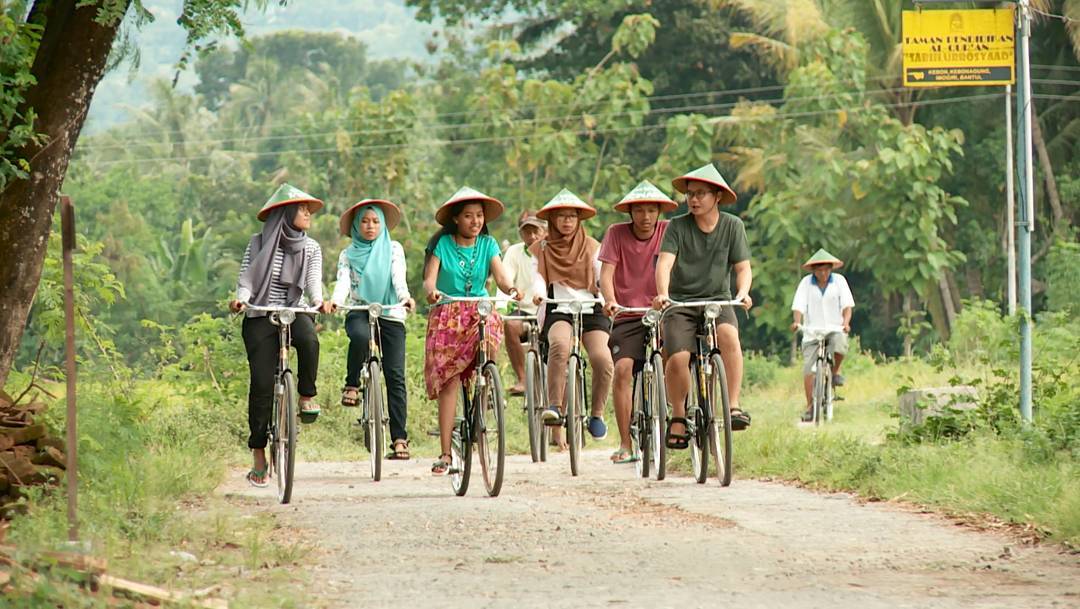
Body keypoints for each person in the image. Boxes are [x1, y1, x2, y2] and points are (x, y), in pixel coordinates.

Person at [229, 183, 333, 488]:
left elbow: (314, 284)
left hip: (294, 309)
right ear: (285, 213)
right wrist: (241, 299)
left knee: (310, 340)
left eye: (307, 209)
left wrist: (319, 302)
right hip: (260, 313)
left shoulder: (311, 247)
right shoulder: (258, 242)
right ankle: (259, 454)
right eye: (301, 209)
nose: (307, 214)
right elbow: (246, 279)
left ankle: (306, 395)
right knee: (261, 384)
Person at [653, 163, 752, 450]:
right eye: (690, 194)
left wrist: (742, 293)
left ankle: (732, 406)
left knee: (730, 336)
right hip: (680, 303)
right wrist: (663, 294)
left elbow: (743, 268)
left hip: (717, 301)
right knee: (678, 358)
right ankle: (680, 416)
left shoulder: (733, 226)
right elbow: (665, 264)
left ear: (717, 196)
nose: (693, 200)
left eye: (700, 194)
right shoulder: (677, 227)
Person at [423, 187, 521, 475]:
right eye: (468, 216)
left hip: (479, 308)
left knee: (490, 338)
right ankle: (445, 453)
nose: (475, 221)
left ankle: (485, 384)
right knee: (450, 382)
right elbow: (430, 280)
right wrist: (432, 293)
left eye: (479, 216)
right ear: (455, 219)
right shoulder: (442, 245)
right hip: (448, 313)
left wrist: (511, 289)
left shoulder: (489, 245)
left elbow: (501, 277)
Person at [332, 199, 416, 459]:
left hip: (390, 311)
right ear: (357, 225)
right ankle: (352, 384)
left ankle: (400, 438)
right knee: (358, 336)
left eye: (376, 221)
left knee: (395, 376)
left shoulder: (393, 248)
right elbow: (344, 281)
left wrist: (404, 297)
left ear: (382, 225)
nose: (370, 226)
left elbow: (397, 276)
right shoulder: (348, 254)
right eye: (365, 221)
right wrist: (336, 301)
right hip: (359, 309)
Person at [600, 181, 677, 464]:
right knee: (622, 370)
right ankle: (625, 443)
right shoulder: (615, 234)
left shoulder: (669, 230)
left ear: (659, 212)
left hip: (664, 309)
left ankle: (675, 407)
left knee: (678, 354)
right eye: (640, 211)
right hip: (628, 313)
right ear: (630, 213)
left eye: (651, 210)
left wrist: (666, 295)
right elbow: (606, 274)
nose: (646, 217)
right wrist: (610, 301)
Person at [530, 189, 613, 446]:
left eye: (572, 216)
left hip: (592, 309)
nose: (567, 221)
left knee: (603, 359)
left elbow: (602, 275)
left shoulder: (593, 246)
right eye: (561, 216)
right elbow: (539, 277)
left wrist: (608, 296)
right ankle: (554, 406)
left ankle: (597, 415)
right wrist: (538, 293)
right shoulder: (542, 248)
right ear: (552, 220)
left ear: (579, 219)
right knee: (559, 346)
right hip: (560, 309)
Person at [790, 248, 854, 422]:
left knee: (840, 345)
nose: (823, 273)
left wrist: (846, 323)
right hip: (813, 331)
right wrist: (797, 322)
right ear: (813, 271)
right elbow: (798, 306)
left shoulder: (839, 281)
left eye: (826, 269)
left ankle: (835, 371)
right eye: (819, 270)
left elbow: (847, 306)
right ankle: (811, 406)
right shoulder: (806, 283)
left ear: (830, 269)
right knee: (808, 369)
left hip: (835, 328)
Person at [498, 210, 547, 396]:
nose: (532, 236)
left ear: (544, 231)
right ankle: (522, 378)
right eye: (527, 232)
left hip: (550, 309)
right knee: (510, 324)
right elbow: (505, 279)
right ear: (520, 234)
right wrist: (501, 306)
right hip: (526, 311)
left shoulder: (552, 249)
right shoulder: (514, 252)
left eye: (536, 231)